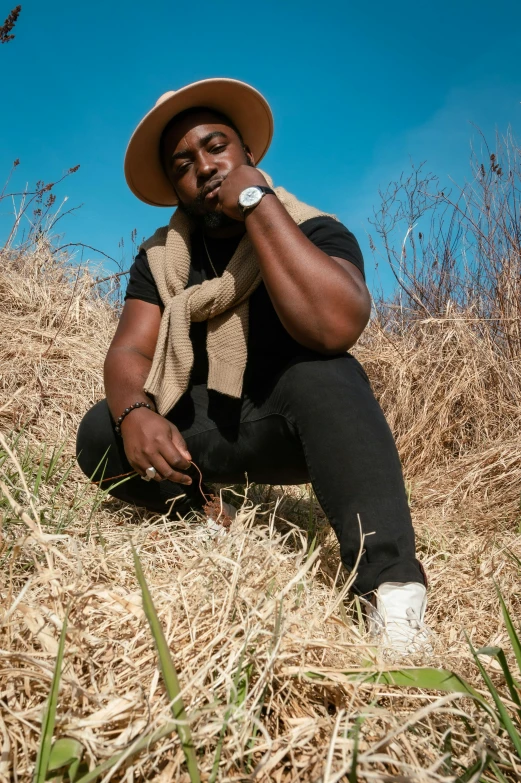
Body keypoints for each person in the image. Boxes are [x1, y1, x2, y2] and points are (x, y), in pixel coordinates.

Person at [77, 78, 430, 654]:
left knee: (324, 370)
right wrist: (136, 411)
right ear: (174, 185)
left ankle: (392, 593)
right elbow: (131, 352)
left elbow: (335, 327)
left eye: (217, 147)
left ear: (248, 154)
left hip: (302, 428)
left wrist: (255, 203)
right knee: (101, 429)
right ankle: (205, 510)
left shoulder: (312, 228)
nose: (205, 167)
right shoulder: (162, 257)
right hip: (208, 431)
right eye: (183, 163)